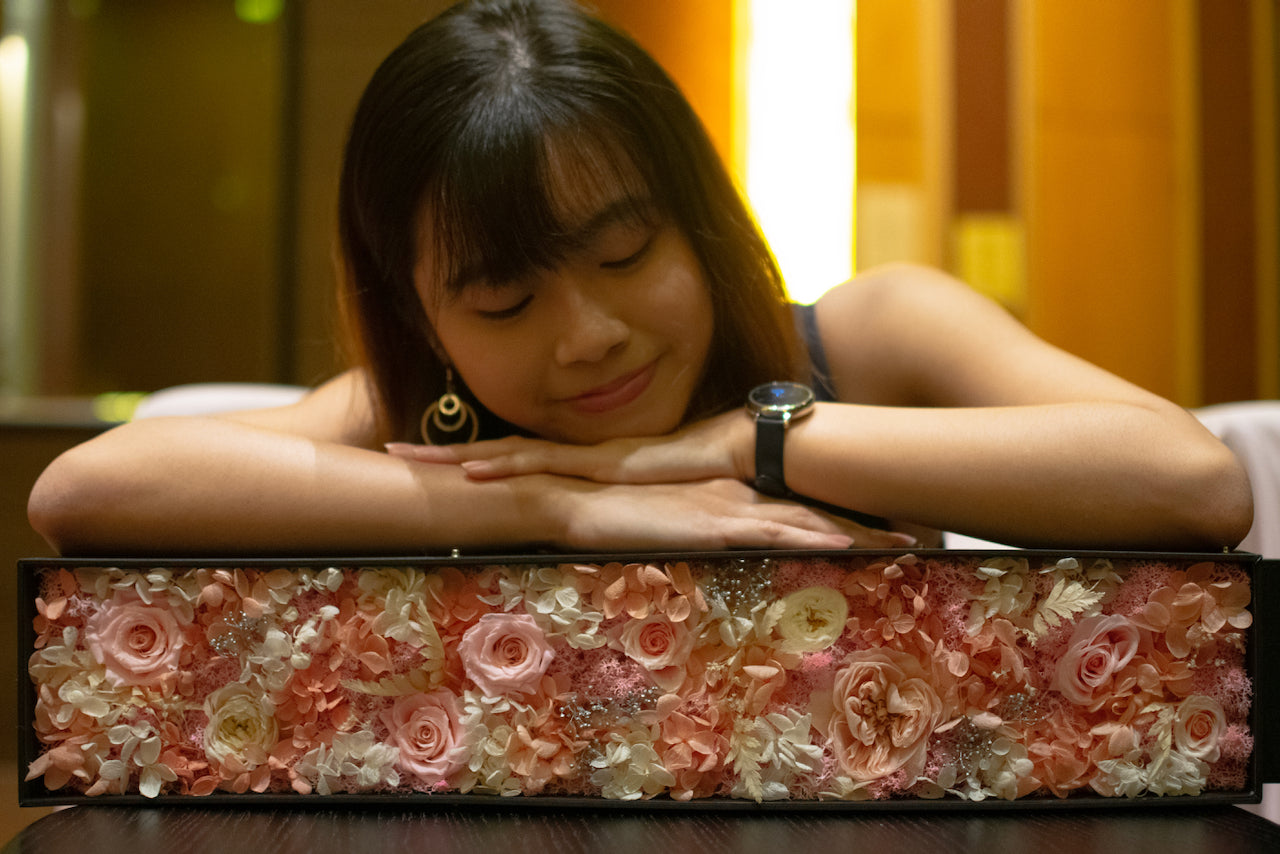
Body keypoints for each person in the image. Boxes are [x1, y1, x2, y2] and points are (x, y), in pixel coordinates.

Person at [28, 0, 1251, 557]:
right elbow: (90, 487)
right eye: (502, 301)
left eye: (625, 255)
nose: (589, 336)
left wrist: (744, 446)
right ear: (424, 315)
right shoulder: (442, 419)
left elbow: (1190, 481)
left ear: (699, 222)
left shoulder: (874, 329)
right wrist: (555, 504)